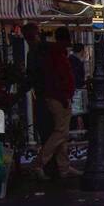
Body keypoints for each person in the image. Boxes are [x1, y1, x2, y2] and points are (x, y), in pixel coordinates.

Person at [35, 27, 77, 179]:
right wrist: (63, 97)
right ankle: (40, 162)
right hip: (58, 97)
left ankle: (63, 167)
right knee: (61, 132)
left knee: (62, 133)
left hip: (61, 96)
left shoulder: (58, 54)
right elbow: (56, 79)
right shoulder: (55, 55)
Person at [21, 22, 52, 148]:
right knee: (47, 130)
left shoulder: (39, 52)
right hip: (44, 95)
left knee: (49, 130)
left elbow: (32, 77)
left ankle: (45, 160)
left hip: (47, 96)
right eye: (27, 38)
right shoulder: (35, 52)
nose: (29, 41)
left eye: (30, 38)